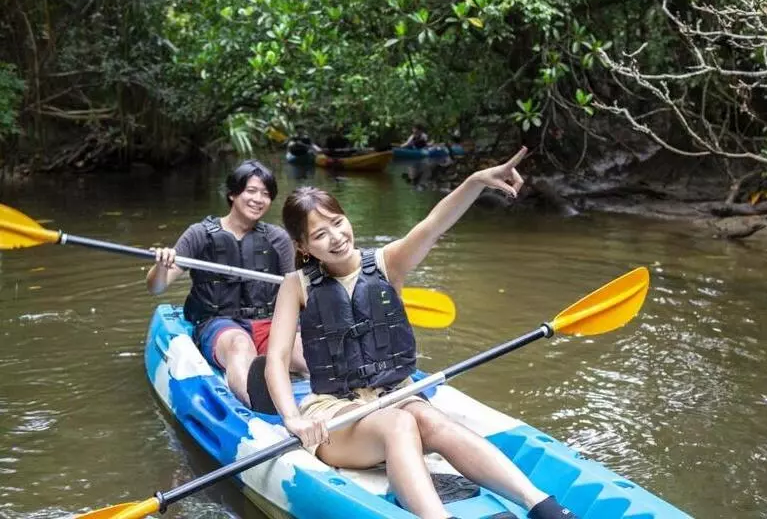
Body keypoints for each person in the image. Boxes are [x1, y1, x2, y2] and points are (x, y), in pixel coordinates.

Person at [261, 147, 577, 519]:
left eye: (337, 222)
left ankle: (538, 503)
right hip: (337, 415)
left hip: (396, 394)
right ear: (302, 246)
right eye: (319, 234)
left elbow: (433, 224)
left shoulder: (387, 263)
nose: (335, 237)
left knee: (428, 418)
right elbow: (278, 359)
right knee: (401, 422)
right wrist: (292, 418)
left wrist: (475, 182)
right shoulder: (295, 286)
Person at [146, 159, 308, 407]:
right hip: (219, 324)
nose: (258, 199)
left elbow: (295, 291)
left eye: (266, 194)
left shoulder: (277, 239)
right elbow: (156, 287)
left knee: (304, 350)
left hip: (268, 323)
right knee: (239, 345)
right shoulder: (199, 234)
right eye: (251, 191)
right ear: (233, 194)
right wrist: (161, 265)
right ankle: (257, 402)